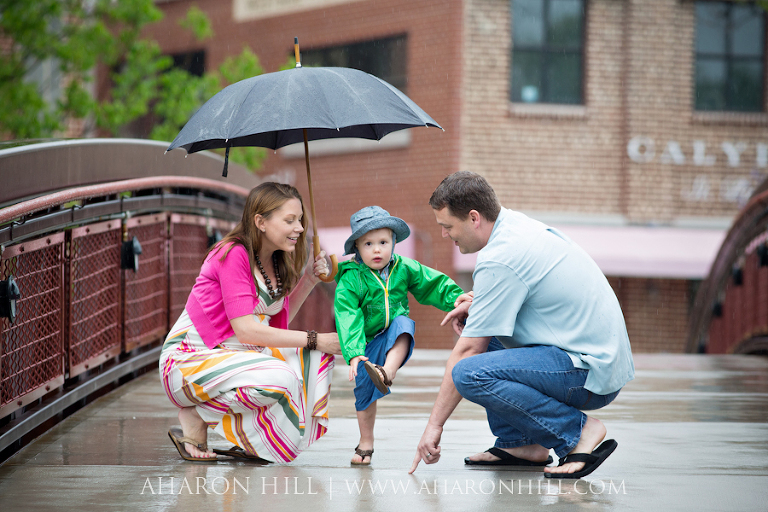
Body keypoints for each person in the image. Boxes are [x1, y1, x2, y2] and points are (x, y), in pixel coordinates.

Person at [409, 171, 634, 479]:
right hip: (596, 358)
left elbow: (466, 354)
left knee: (468, 371)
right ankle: (521, 444)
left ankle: (577, 432)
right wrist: (481, 306)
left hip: (588, 373)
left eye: (447, 226)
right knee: (487, 336)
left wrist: (434, 426)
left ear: (474, 217)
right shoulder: (513, 226)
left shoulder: (501, 258)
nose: (446, 235)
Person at [160, 182, 341, 463]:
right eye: (290, 220)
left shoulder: (275, 262)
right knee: (282, 376)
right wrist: (314, 336)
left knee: (313, 360)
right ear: (261, 221)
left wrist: (308, 279)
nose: (300, 229)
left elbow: (272, 330)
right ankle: (197, 416)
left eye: (301, 220)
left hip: (233, 360)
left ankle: (251, 440)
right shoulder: (233, 253)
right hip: (189, 363)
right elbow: (246, 330)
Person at [334, 206, 464, 465]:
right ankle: (366, 443)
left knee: (404, 324)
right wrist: (354, 352)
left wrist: (456, 298)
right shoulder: (351, 279)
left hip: (394, 335)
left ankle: (387, 372)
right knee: (364, 392)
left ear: (394, 242)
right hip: (366, 342)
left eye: (383, 242)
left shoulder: (403, 267)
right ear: (357, 248)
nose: (377, 249)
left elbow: (432, 283)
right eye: (368, 244)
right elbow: (348, 314)